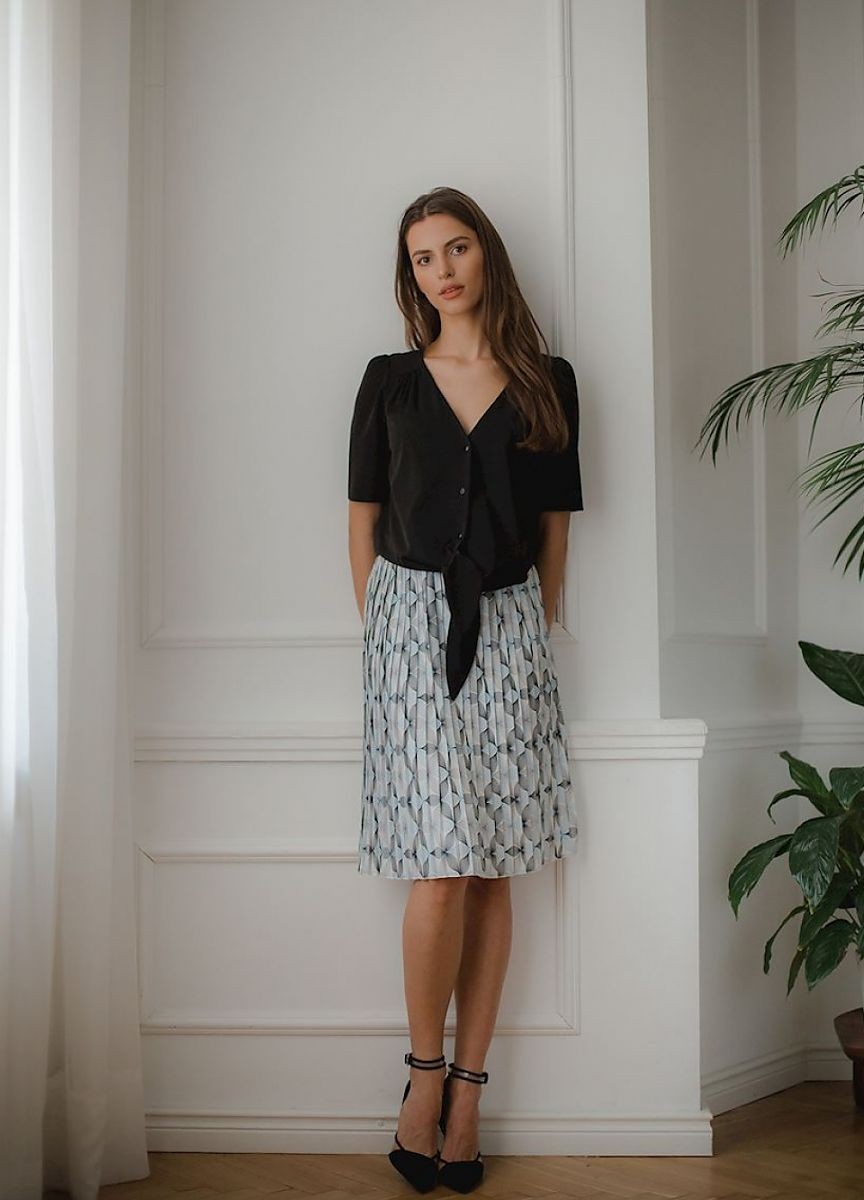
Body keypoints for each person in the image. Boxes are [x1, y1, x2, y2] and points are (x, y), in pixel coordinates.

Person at [347, 186, 584, 1194]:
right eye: (423, 257)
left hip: (512, 628)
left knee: (492, 869)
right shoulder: (389, 383)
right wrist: (384, 634)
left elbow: (556, 526)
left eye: (456, 248)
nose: (442, 270)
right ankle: (422, 1077)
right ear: (410, 276)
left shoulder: (547, 383)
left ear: (486, 255)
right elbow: (362, 520)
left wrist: (537, 626)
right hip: (409, 633)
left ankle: (470, 1098)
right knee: (438, 867)